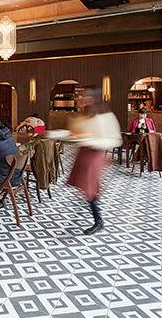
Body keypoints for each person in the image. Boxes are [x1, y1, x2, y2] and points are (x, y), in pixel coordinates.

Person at [67, 86, 121, 235]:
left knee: (90, 186)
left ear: (92, 98)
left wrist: (91, 141)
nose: (80, 98)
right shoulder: (85, 114)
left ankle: (98, 221)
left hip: (95, 155)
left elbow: (115, 139)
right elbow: (76, 132)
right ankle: (89, 204)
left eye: (84, 95)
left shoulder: (105, 116)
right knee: (85, 185)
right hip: (84, 153)